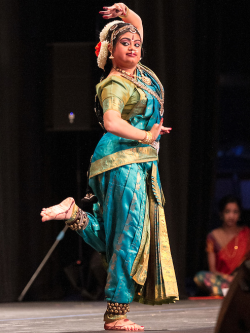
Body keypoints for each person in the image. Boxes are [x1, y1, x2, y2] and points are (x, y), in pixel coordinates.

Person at [41, 3, 178, 331]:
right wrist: (147, 134)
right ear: (109, 52)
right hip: (122, 163)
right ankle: (116, 315)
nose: (132, 46)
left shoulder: (139, 73)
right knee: (127, 237)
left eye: (136, 44)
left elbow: (137, 25)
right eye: (124, 43)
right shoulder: (115, 83)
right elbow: (111, 120)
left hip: (129, 163)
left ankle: (73, 213)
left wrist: (126, 12)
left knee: (116, 236)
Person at [194, 195, 250, 296]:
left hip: (242, 279)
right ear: (221, 214)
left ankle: (229, 293)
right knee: (200, 277)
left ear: (240, 215)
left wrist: (238, 278)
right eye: (227, 212)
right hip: (222, 279)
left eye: (235, 212)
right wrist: (228, 278)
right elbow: (213, 270)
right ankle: (231, 293)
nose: (231, 216)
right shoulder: (213, 236)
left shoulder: (246, 234)